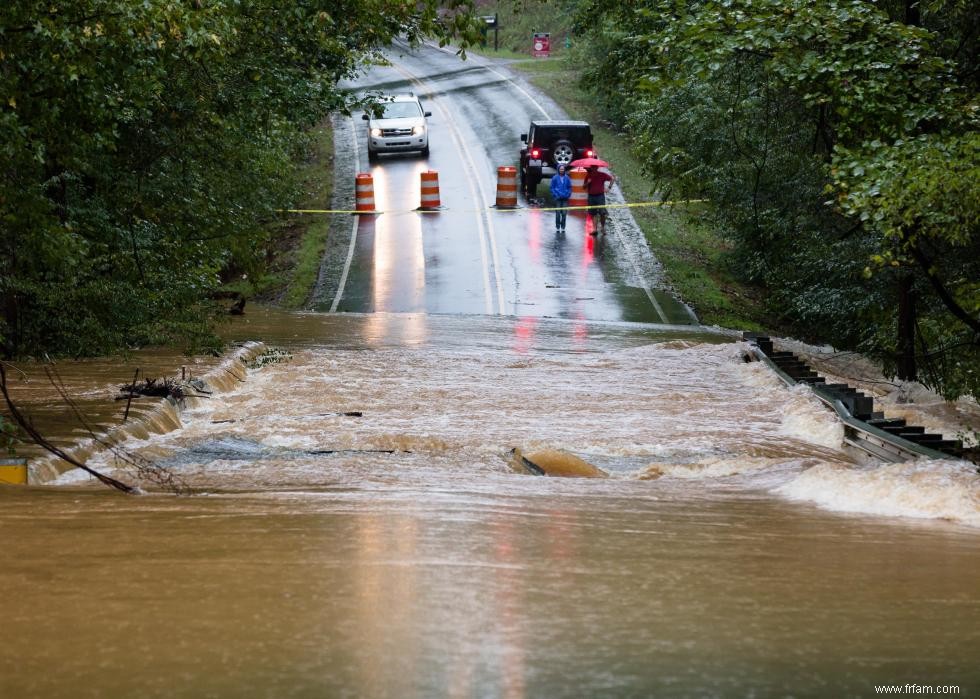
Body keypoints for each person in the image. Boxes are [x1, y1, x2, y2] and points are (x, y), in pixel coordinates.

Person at [584, 164, 615, 234]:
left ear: (597, 168)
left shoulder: (602, 175)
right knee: (593, 213)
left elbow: (612, 179)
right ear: (591, 168)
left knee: (602, 213)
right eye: (592, 167)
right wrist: (588, 183)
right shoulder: (588, 175)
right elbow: (583, 187)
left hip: (600, 196)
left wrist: (609, 188)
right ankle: (595, 229)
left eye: (595, 167)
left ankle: (603, 228)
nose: (594, 169)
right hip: (591, 196)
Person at [549, 164, 572, 232]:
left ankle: (563, 225)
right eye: (560, 169)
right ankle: (558, 225)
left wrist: (568, 194)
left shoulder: (567, 178)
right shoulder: (555, 178)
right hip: (558, 198)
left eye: (563, 169)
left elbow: (569, 187)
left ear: (564, 170)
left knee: (564, 213)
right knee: (558, 213)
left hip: (565, 198)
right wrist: (555, 194)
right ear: (558, 170)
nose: (562, 170)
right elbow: (552, 188)